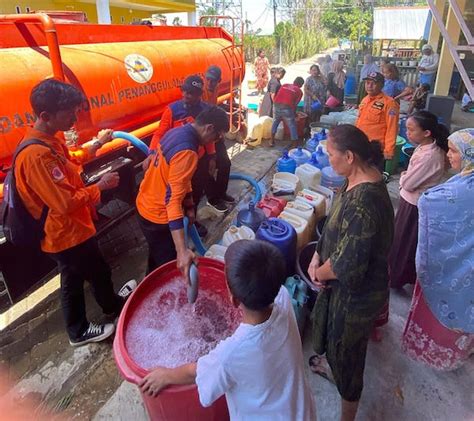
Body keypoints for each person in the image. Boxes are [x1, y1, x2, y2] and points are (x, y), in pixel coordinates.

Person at [14, 79, 136, 347]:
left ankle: (111, 305)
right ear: (46, 115)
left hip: (75, 228)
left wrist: (95, 145)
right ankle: (78, 330)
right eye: (69, 112)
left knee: (95, 270)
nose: (74, 117)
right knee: (74, 278)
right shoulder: (36, 156)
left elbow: (69, 161)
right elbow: (64, 202)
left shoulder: (48, 140)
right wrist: (99, 188)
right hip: (63, 234)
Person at [139, 239, 317, 420]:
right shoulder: (283, 296)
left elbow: (198, 372)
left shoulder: (232, 353)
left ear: (233, 299)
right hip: (300, 411)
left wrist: (166, 375)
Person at [307, 124, 394, 421]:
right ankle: (333, 368)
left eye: (330, 154)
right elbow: (333, 224)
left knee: (348, 356)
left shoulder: (365, 202)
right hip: (340, 284)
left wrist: (319, 273)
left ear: (349, 156)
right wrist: (318, 252)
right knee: (335, 342)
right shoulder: (353, 180)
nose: (327, 157)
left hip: (356, 295)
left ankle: (347, 411)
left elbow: (347, 263)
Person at [402, 128, 474, 370]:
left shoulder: (464, 190)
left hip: (457, 268)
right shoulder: (465, 179)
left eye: (454, 151)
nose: (449, 156)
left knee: (445, 308)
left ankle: (434, 353)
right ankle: (456, 354)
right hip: (468, 268)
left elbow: (430, 201)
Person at [136, 106, 229, 279]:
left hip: (145, 204)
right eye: (217, 137)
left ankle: (150, 279)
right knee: (171, 271)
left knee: (156, 257)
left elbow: (181, 180)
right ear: (209, 128)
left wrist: (190, 205)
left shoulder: (177, 131)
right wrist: (182, 251)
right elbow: (172, 200)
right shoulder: (188, 151)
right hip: (157, 215)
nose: (215, 141)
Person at [144, 75, 215, 235]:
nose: (186, 95)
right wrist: (151, 152)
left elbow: (209, 138)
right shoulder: (172, 110)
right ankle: (176, 225)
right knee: (176, 195)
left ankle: (192, 221)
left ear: (199, 94)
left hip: (199, 161)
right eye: (184, 91)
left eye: (190, 93)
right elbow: (159, 134)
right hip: (178, 162)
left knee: (195, 193)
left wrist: (212, 157)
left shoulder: (205, 111)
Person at [388, 111, 448, 290]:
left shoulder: (430, 155)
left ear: (427, 133)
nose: (408, 133)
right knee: (402, 240)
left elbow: (408, 183)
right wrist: (405, 177)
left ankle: (395, 278)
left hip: (414, 204)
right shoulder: (424, 147)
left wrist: (403, 178)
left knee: (403, 243)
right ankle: (398, 273)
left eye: (411, 130)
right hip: (411, 200)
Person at [200, 65, 235, 213]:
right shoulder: (200, 93)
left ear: (219, 81)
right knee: (207, 169)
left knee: (225, 163)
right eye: (207, 79)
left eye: (213, 81)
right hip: (203, 137)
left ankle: (221, 193)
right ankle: (213, 199)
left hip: (214, 135)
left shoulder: (214, 90)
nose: (209, 83)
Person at [356, 71, 400, 169]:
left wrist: (388, 150)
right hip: (361, 144)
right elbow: (359, 122)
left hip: (376, 149)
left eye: (374, 83)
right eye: (367, 83)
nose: (369, 86)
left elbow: (392, 128)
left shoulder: (389, 103)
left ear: (381, 85)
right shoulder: (365, 100)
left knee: (373, 176)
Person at [270, 77, 304, 146]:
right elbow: (294, 104)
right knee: (292, 125)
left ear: (294, 81)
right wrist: (295, 115)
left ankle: (271, 141)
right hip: (287, 108)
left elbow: (279, 95)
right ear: (301, 85)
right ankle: (294, 144)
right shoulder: (299, 91)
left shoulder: (285, 85)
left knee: (275, 122)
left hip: (276, 105)